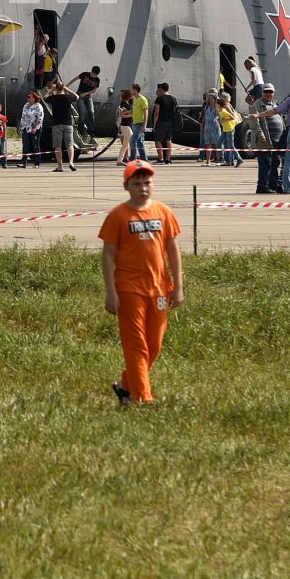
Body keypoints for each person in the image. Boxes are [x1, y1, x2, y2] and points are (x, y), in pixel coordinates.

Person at [99, 159, 183, 406]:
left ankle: (126, 386)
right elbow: (108, 254)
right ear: (126, 186)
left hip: (158, 288)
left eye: (147, 183)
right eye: (137, 183)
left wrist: (178, 286)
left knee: (153, 345)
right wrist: (111, 291)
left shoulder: (163, 212)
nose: (143, 188)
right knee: (136, 345)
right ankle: (142, 398)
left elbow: (173, 250)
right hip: (128, 289)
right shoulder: (118, 215)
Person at [43, 79, 79, 172]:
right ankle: (71, 162)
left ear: (56, 89)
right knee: (70, 144)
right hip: (68, 124)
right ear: (63, 88)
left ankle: (60, 166)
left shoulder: (54, 98)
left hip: (57, 124)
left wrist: (51, 90)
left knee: (58, 146)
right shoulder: (68, 97)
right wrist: (67, 89)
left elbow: (45, 97)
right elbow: (77, 96)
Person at [73, 67, 101, 149]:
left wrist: (85, 94)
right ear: (91, 72)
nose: (94, 76)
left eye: (96, 75)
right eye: (93, 74)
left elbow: (94, 90)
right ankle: (81, 129)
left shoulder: (97, 80)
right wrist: (66, 85)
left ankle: (90, 130)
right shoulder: (84, 74)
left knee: (91, 113)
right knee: (82, 114)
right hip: (80, 95)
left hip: (88, 96)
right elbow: (75, 79)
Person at [150, 83, 177, 164]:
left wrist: (154, 124)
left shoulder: (159, 99)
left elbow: (157, 113)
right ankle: (168, 159)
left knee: (158, 140)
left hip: (161, 122)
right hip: (170, 122)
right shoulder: (173, 98)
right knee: (168, 140)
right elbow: (175, 110)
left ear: (162, 89)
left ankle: (161, 158)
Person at [19, 90, 44, 168]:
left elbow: (40, 118)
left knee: (35, 145)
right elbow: (23, 117)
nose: (28, 98)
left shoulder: (38, 106)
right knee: (25, 145)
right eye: (27, 97)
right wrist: (21, 126)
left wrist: (35, 127)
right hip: (26, 128)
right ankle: (24, 162)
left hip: (35, 128)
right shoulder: (26, 105)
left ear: (34, 98)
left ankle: (37, 163)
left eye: (29, 97)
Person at [115, 89, 134, 161]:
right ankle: (121, 159)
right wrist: (132, 115)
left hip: (127, 125)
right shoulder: (123, 103)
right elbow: (122, 115)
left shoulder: (127, 103)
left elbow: (125, 112)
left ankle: (120, 159)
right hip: (125, 125)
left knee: (125, 144)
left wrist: (130, 112)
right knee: (126, 143)